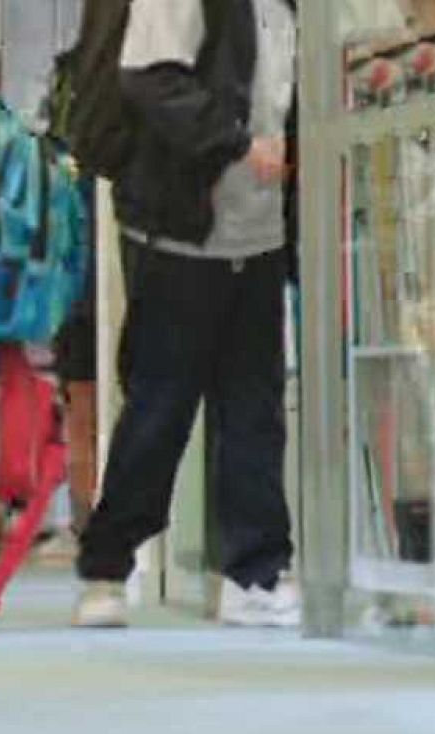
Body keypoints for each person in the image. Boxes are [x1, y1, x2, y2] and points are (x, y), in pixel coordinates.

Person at [75, 0, 298, 629]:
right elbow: (146, 77)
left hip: (259, 236)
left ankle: (253, 572)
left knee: (254, 409)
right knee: (158, 409)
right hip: (179, 232)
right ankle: (106, 569)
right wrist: (233, 143)